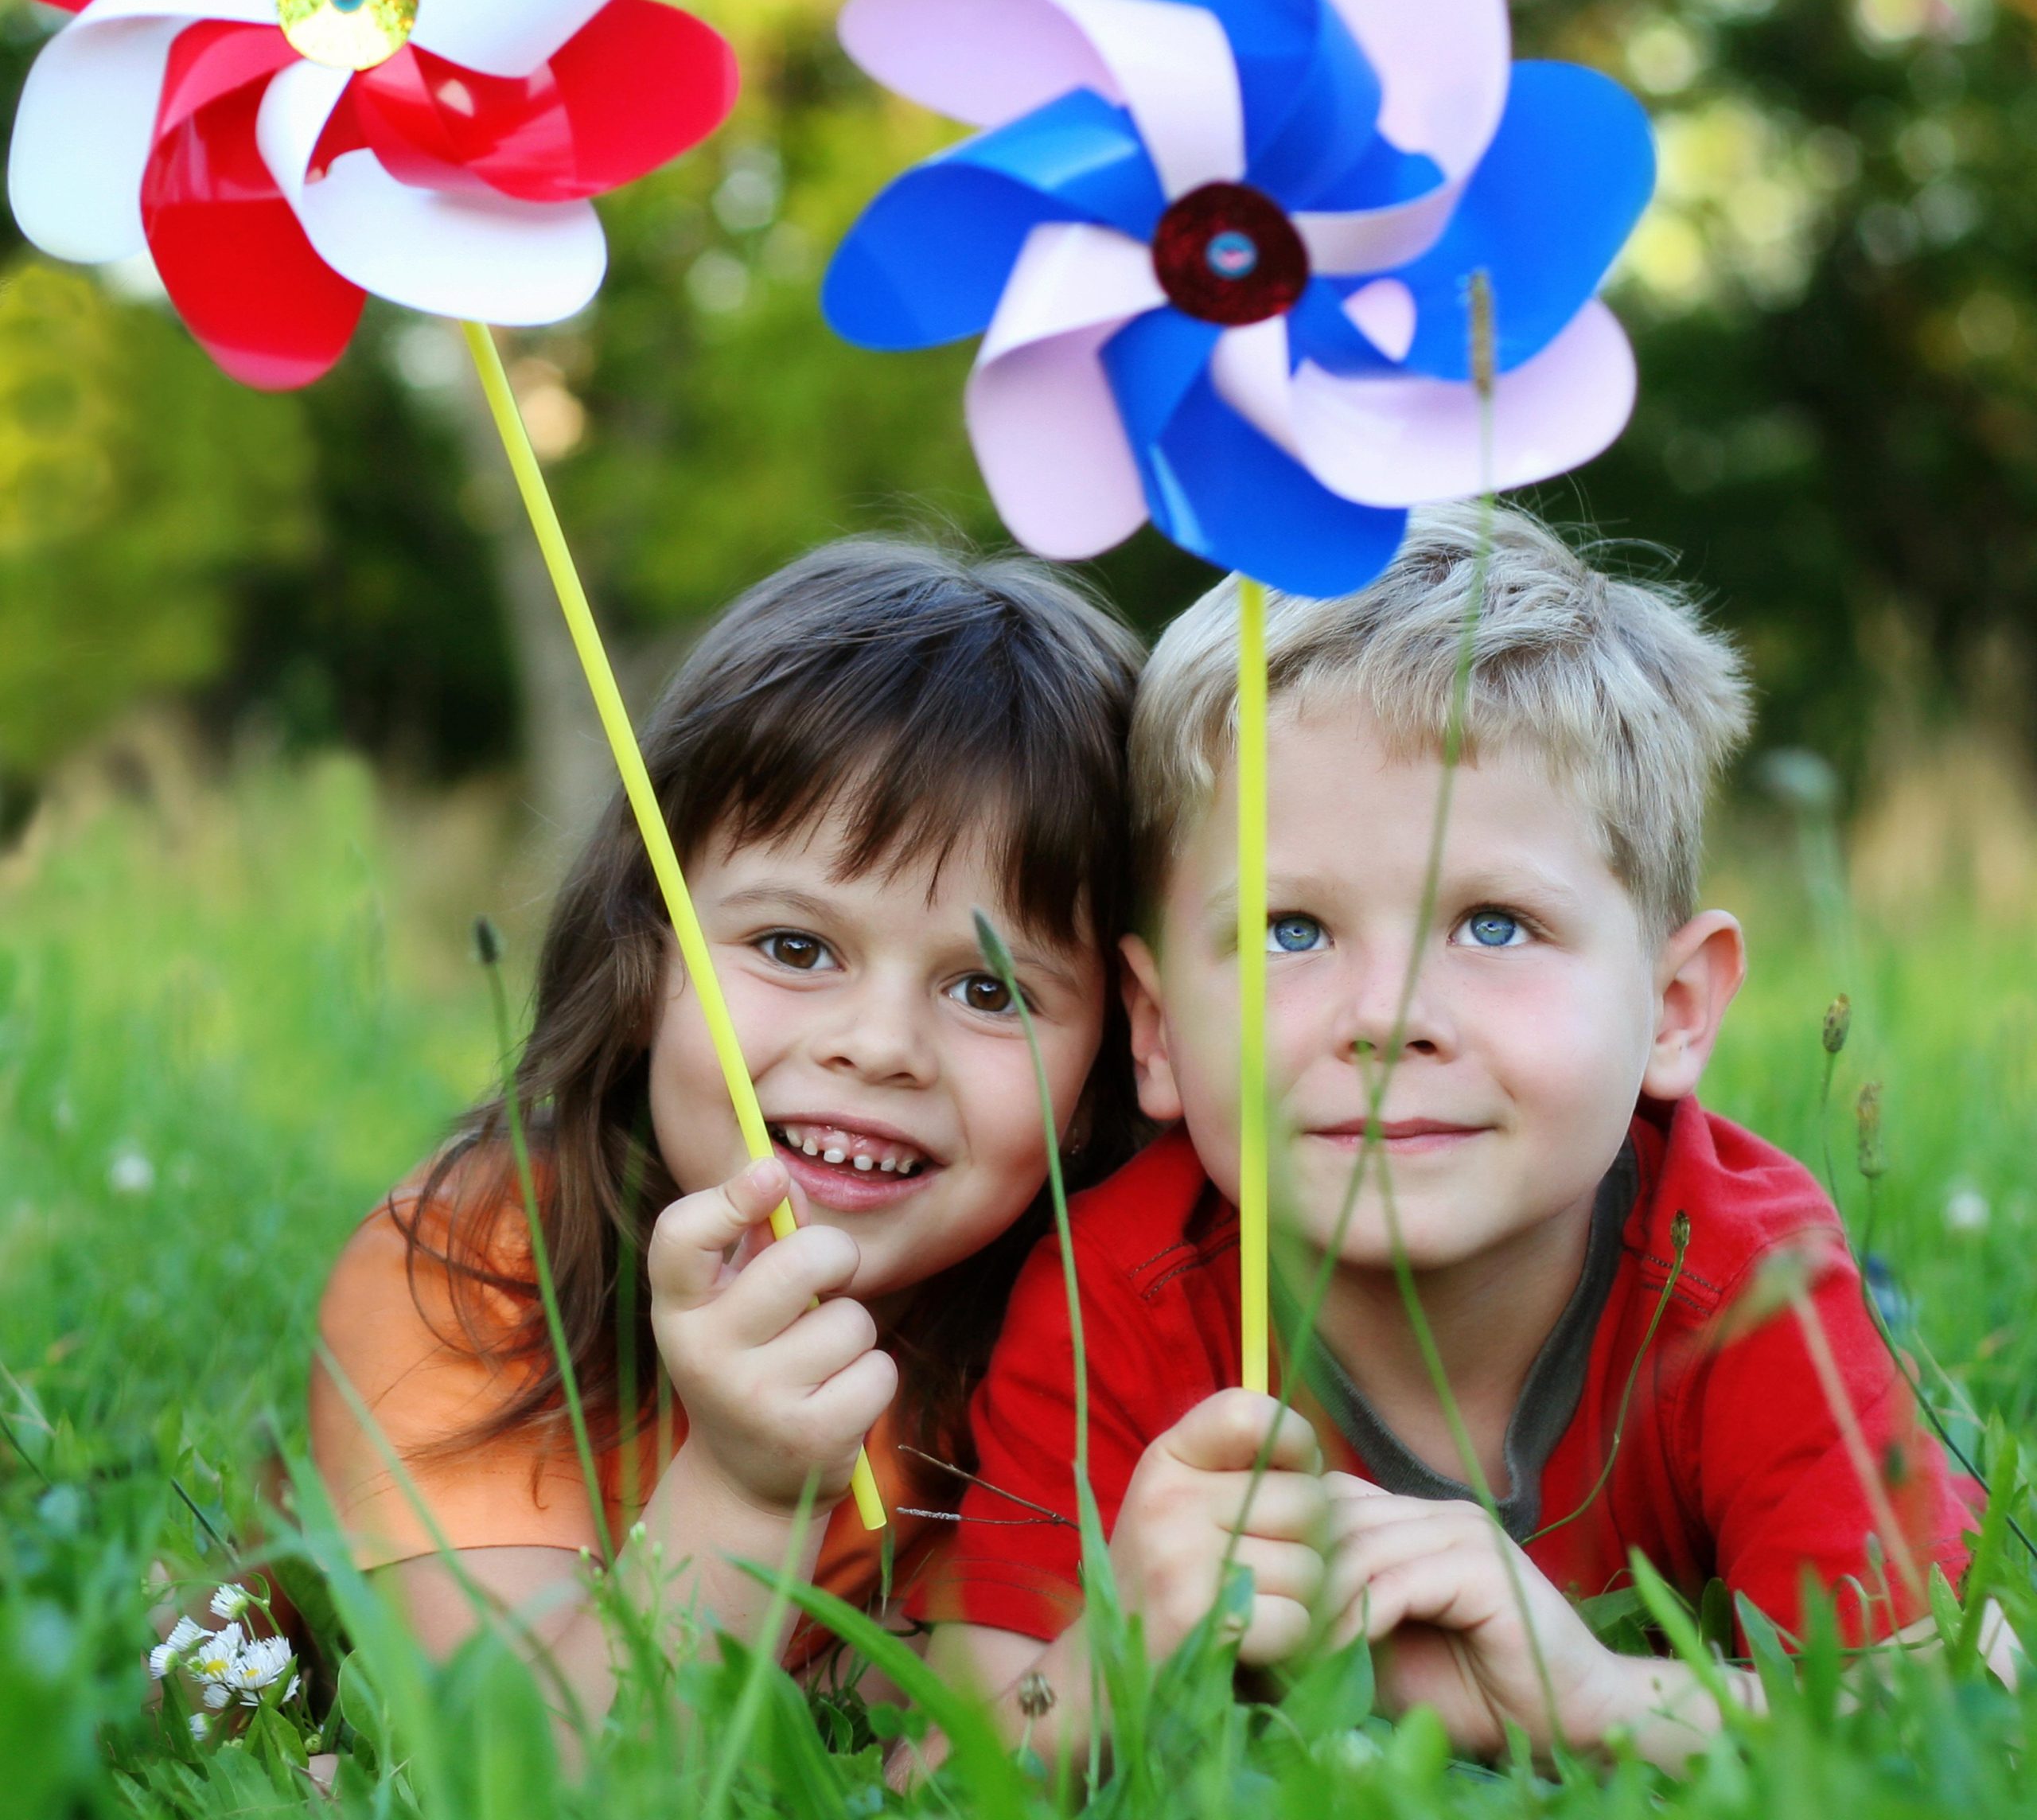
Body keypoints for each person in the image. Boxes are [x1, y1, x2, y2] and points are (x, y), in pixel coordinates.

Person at [920, 505, 1986, 1771]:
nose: (1388, 1019)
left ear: (1676, 1009)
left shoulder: (1746, 1280)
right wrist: (1120, 1650)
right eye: (1288, 931)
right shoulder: (1122, 1290)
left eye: (1492, 926)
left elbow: (1957, 1713)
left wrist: (1589, 1695)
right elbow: (940, 1759)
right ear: (1155, 1030)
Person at [310, 537, 1143, 1721]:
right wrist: (751, 1489)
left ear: (1113, 1057)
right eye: (796, 948)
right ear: (644, 954)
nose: (880, 1044)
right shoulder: (473, 1265)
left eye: (991, 989)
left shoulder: (1086, 1330)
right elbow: (531, 1758)